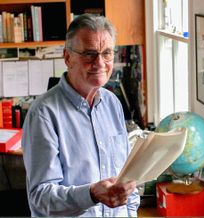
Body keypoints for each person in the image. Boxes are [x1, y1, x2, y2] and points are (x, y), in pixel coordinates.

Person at [22, 13, 140, 217]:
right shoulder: (43, 113)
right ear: (68, 57)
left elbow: (127, 177)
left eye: (107, 53)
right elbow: (40, 198)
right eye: (89, 54)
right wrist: (91, 194)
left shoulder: (112, 103)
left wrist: (130, 213)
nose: (100, 63)